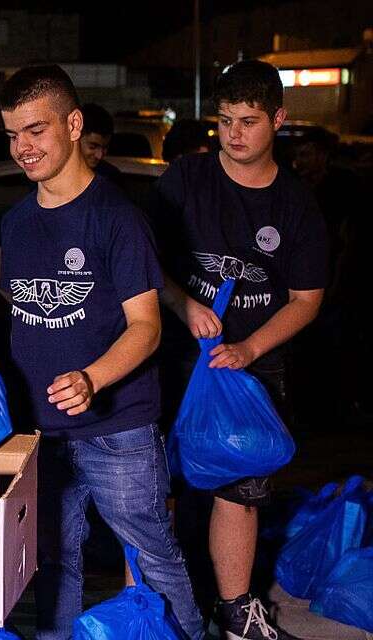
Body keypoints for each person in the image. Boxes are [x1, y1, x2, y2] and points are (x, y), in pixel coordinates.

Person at [0, 65, 203, 640]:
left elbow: (147, 326)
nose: (23, 148)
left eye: (36, 131)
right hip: (43, 432)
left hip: (119, 429)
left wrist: (92, 378)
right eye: (13, 134)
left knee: (154, 557)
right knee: (51, 560)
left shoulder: (117, 218)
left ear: (73, 123)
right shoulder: (16, 223)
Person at [149, 60, 326, 640]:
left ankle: (235, 609)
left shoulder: (296, 204)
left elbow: (304, 300)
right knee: (162, 485)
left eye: (248, 121)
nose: (234, 134)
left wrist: (248, 348)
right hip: (176, 356)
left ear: (278, 118)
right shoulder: (184, 179)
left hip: (252, 365)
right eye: (225, 121)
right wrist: (182, 305)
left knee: (241, 488)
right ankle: (164, 603)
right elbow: (143, 264)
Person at [79, 103, 122, 180]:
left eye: (105, 148)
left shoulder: (111, 177)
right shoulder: (55, 173)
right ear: (76, 138)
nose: (99, 155)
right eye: (92, 147)